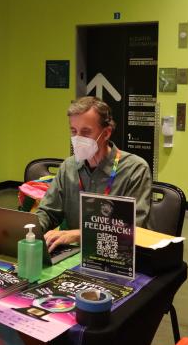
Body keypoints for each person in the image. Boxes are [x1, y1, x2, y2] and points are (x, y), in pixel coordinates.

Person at [35, 96, 152, 251]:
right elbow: (48, 213)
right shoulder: (68, 167)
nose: (78, 139)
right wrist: (29, 229)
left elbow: (132, 228)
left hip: (117, 255)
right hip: (74, 254)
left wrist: (79, 235)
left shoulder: (135, 170)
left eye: (86, 132)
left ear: (106, 133)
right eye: (74, 131)